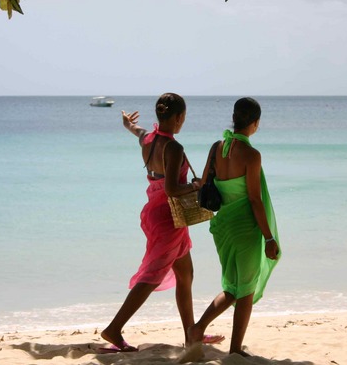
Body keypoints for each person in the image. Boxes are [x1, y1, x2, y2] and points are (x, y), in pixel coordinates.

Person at [101, 93, 224, 353]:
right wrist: (194, 185)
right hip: (168, 217)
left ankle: (192, 334)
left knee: (185, 275)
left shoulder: (148, 138)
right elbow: (171, 189)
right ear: (179, 117)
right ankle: (114, 328)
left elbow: (136, 130)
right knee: (152, 275)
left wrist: (127, 123)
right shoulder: (174, 148)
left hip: (156, 213)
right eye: (184, 117)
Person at [185, 97, 280, 358]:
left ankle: (197, 329)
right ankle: (235, 349)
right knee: (245, 290)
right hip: (244, 227)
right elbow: (254, 199)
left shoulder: (217, 147)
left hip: (222, 225)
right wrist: (269, 237)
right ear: (255, 123)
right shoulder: (251, 154)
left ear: (234, 118)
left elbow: (204, 182)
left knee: (232, 288)